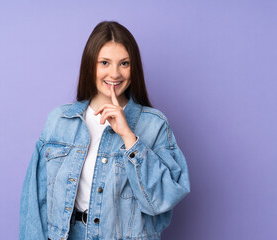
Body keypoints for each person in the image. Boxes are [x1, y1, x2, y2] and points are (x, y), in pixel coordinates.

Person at [19, 21, 190, 240]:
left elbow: (161, 201)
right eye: (105, 63)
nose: (115, 73)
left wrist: (129, 137)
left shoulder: (155, 125)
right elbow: (35, 202)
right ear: (90, 65)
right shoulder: (59, 121)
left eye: (124, 63)